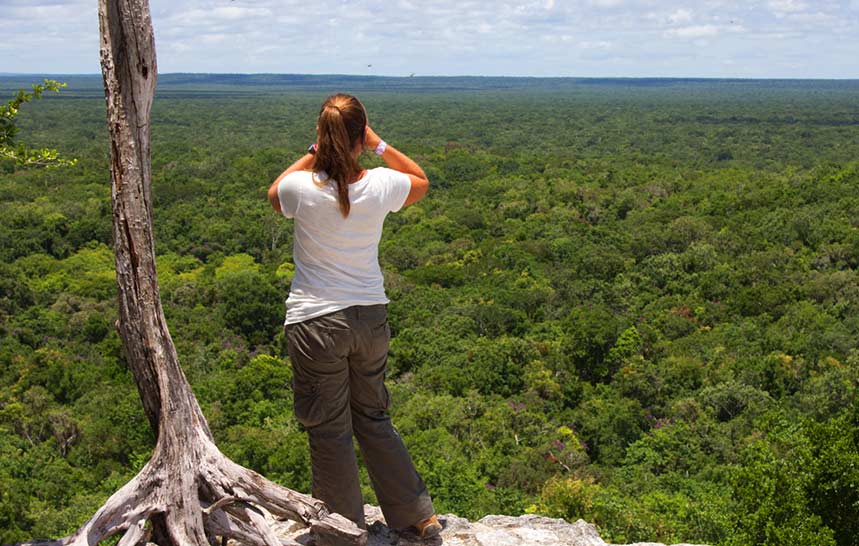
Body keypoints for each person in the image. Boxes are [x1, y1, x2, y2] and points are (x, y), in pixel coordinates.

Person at [266, 93, 441, 539]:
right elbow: (420, 180)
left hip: (316, 322)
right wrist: (377, 144)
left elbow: (274, 192)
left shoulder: (302, 189)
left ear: (322, 138)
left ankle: (342, 533)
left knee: (329, 429)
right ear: (361, 136)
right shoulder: (382, 183)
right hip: (369, 318)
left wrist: (315, 152)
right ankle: (417, 517)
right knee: (374, 418)